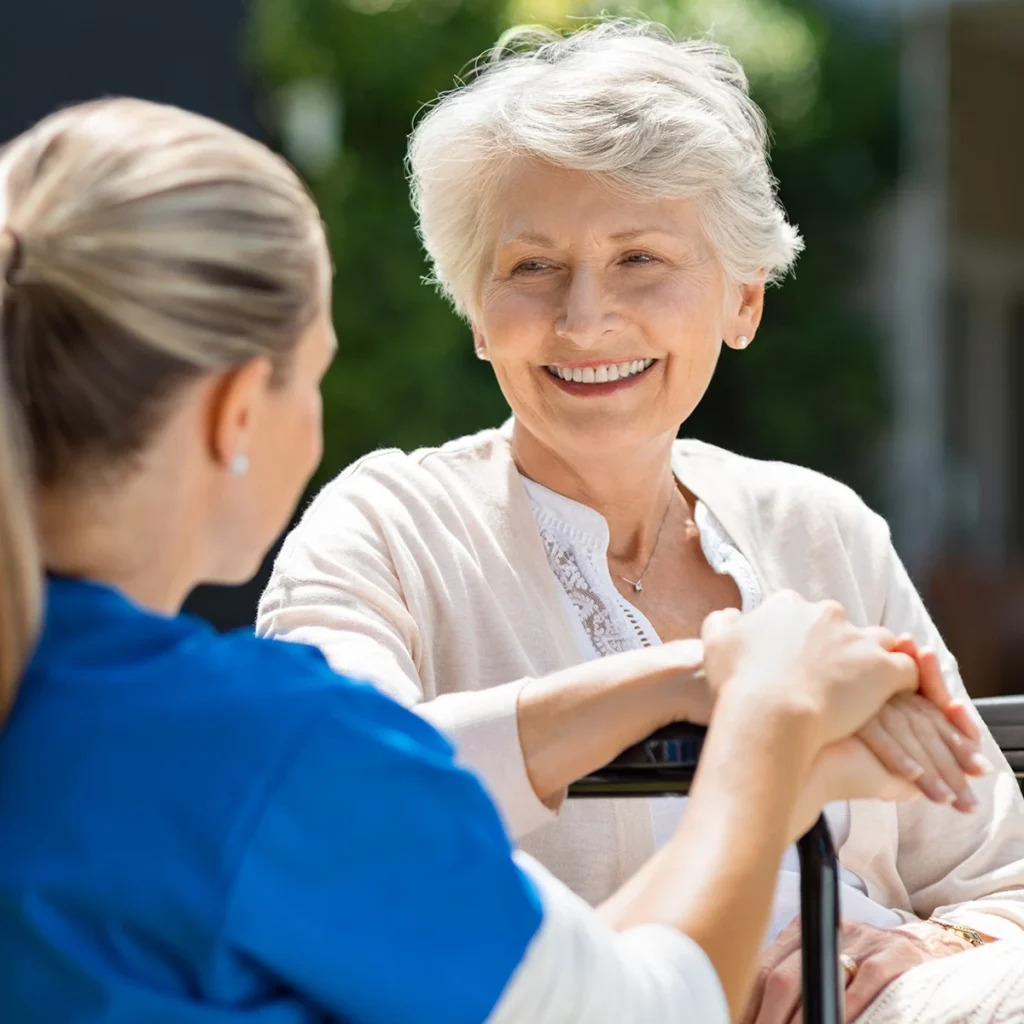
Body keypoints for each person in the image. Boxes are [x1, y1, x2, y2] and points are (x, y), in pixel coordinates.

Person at [0, 95, 963, 1024]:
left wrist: (690, 677)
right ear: (238, 414)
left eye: (639, 258)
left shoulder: (104, 718)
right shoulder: (267, 747)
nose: (586, 318)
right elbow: (642, 1011)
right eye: (322, 369)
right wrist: (767, 719)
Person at [256, 19, 1024, 1024]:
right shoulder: (387, 525)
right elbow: (338, 793)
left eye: (639, 259)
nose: (582, 318)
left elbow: (997, 872)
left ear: (741, 300)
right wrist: (702, 679)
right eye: (530, 267)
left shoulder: (817, 524)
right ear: (476, 312)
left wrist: (909, 943)